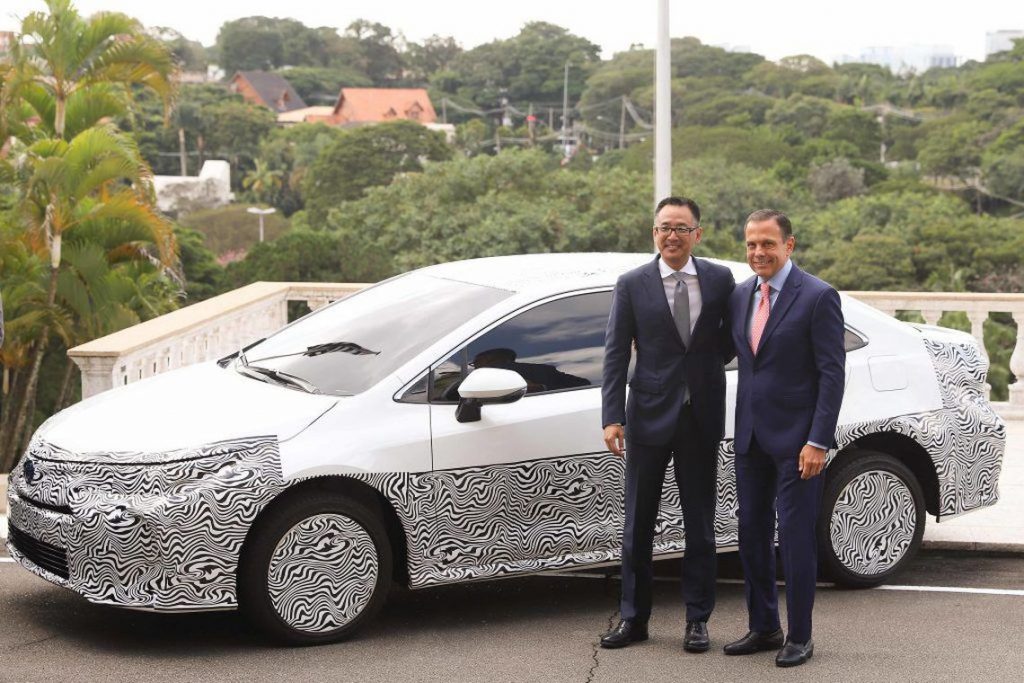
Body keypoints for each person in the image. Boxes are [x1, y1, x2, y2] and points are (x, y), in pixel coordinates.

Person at [600, 196, 735, 652]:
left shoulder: (719, 279)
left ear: (698, 233)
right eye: (663, 228)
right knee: (638, 523)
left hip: (701, 417)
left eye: (681, 228)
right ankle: (633, 619)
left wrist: (701, 373)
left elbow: (729, 341)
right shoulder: (632, 283)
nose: (671, 235)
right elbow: (616, 353)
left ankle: (698, 620)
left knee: (700, 525)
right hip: (648, 416)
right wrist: (612, 416)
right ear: (653, 232)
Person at [723, 209, 845, 668]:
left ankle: (801, 636)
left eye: (768, 244)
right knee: (751, 533)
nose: (759, 252)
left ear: (789, 245)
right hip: (750, 438)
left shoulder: (817, 296)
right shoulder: (739, 296)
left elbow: (832, 374)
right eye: (752, 244)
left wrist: (819, 440)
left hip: (799, 444)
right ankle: (764, 626)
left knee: (794, 538)